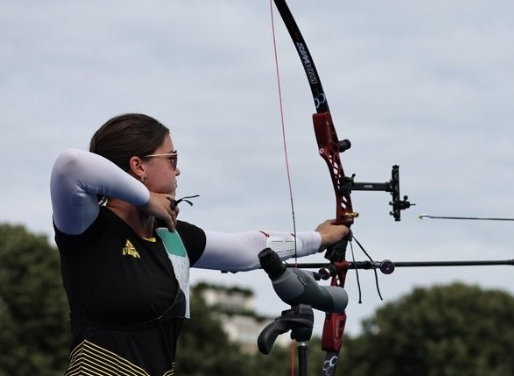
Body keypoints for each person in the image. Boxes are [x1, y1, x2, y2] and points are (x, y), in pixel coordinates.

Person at [50, 113, 349, 375]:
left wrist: (320, 238)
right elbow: (70, 165)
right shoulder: (88, 225)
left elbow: (250, 248)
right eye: (172, 159)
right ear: (138, 166)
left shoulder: (172, 237)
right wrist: (145, 199)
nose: (178, 170)